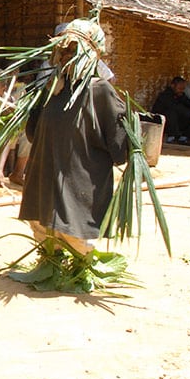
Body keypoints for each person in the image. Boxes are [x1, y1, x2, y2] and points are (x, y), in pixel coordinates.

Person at [19, 21, 128, 254]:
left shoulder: (99, 91)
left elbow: (119, 143)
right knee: (42, 227)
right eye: (64, 50)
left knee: (74, 235)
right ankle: (51, 261)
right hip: (45, 176)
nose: (67, 56)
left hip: (79, 180)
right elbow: (33, 133)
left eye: (73, 50)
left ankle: (82, 263)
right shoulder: (52, 88)